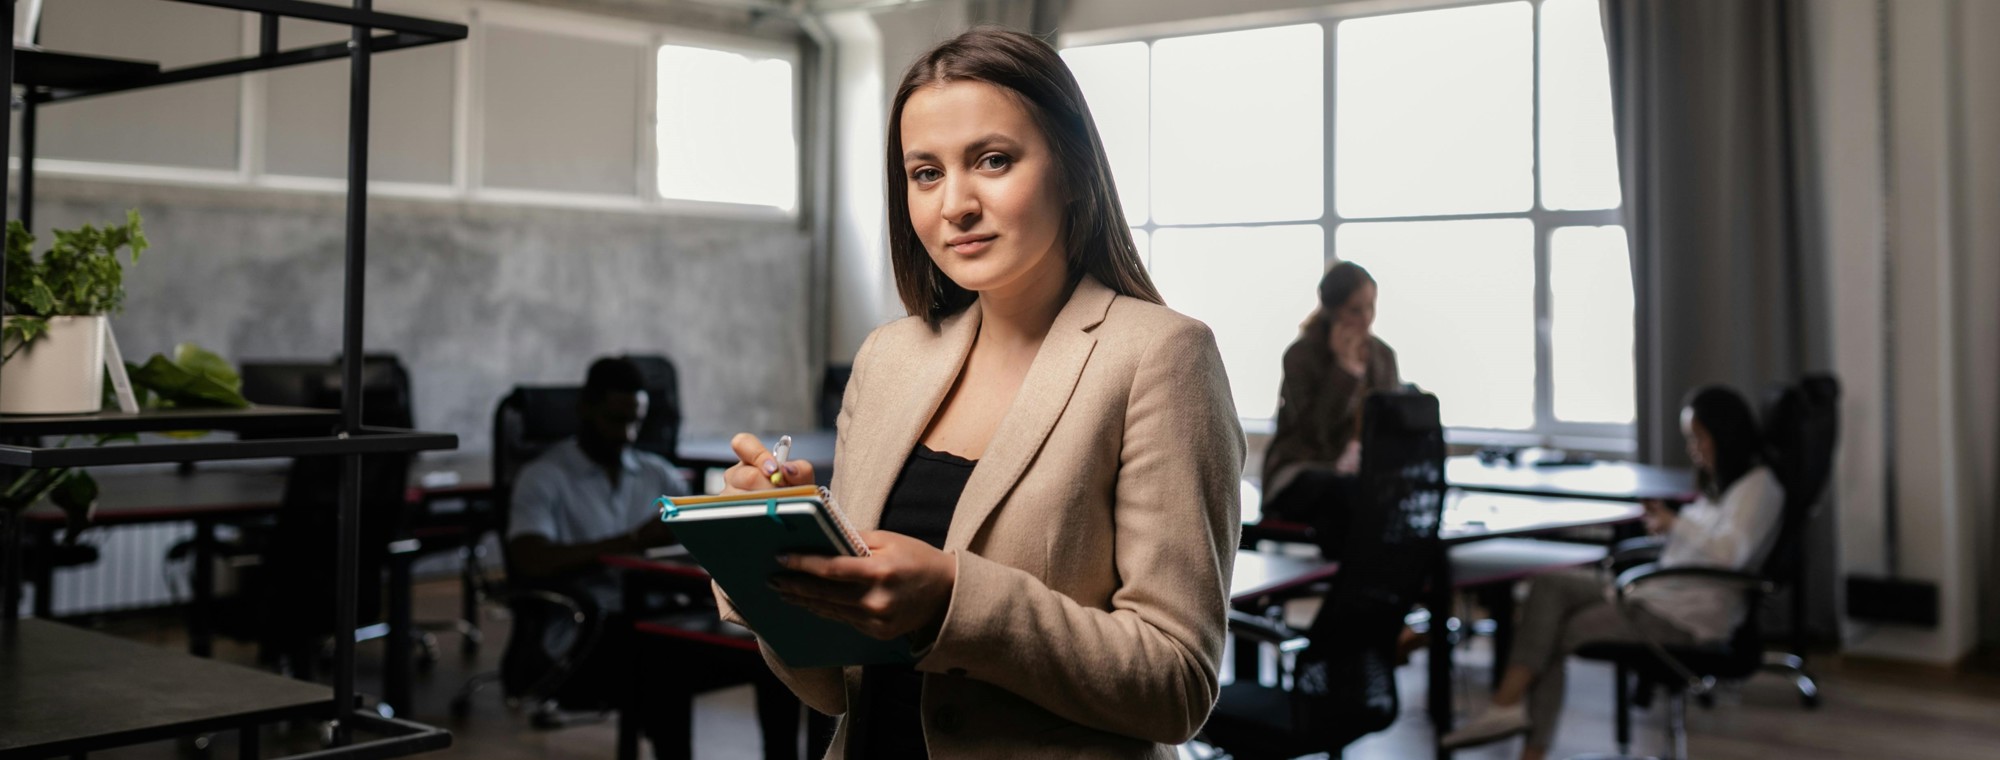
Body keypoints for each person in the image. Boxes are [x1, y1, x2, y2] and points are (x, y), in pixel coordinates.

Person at [710, 27, 1245, 759]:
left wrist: (952, 603)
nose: (954, 204)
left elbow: (1176, 685)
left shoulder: (1160, 356)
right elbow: (835, 686)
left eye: (993, 161)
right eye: (924, 173)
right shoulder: (889, 358)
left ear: (1074, 171)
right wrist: (776, 557)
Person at [1440, 385, 1785, 758]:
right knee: (1549, 585)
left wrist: (1675, 524)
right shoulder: (1723, 487)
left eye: (1698, 438)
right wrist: (1671, 528)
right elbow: (1705, 544)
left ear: (1724, 434)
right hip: (1657, 593)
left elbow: (1731, 554)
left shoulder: (1760, 487)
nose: (1693, 449)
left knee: (1553, 630)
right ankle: (1505, 707)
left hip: (1681, 616)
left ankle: (1522, 738)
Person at [509, 357, 795, 760]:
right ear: (585, 410)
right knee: (664, 661)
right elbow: (530, 560)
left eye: (635, 421)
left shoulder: (656, 474)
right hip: (587, 631)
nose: (627, 434)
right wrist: (631, 541)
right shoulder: (544, 476)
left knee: (769, 651)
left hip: (659, 615)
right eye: (615, 419)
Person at [1260, 261, 1400, 558]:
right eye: (1355, 309)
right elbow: (1318, 433)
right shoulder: (1301, 356)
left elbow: (1389, 424)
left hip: (1361, 472)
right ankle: (1351, 589)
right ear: (1332, 309)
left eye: (1370, 307)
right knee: (1345, 497)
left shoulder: (1382, 356)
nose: (1366, 318)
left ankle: (1380, 588)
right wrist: (1346, 371)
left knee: (1388, 499)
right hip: (1303, 470)